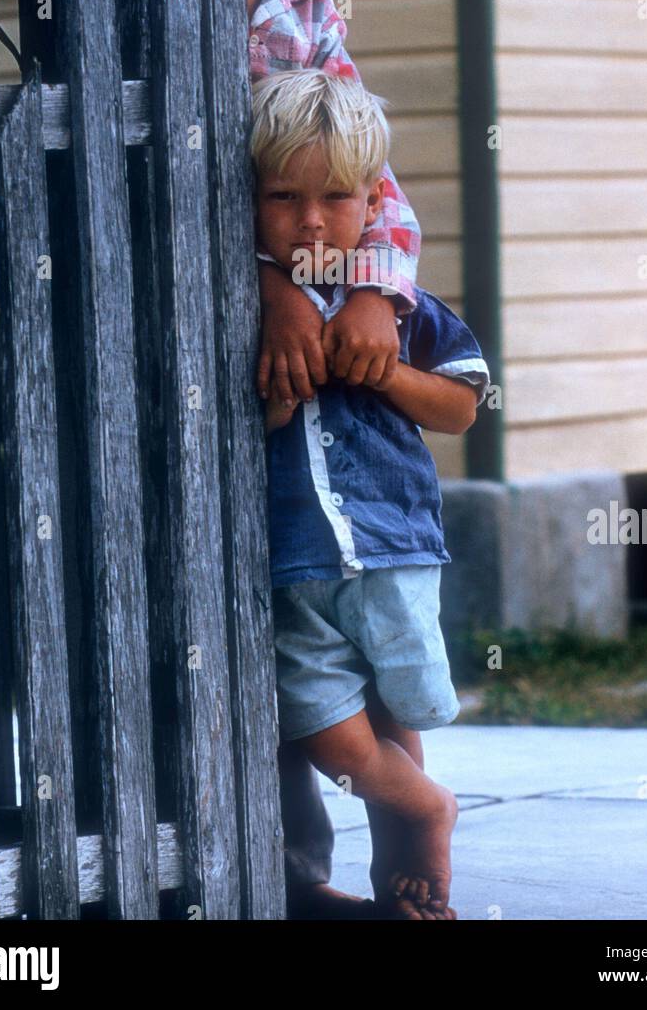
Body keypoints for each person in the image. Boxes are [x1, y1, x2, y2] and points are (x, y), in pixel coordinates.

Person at [197, 0, 424, 919]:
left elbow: (359, 174)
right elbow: (167, 185)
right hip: (183, 355)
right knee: (221, 619)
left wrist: (372, 286)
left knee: (323, 601)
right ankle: (266, 875)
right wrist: (265, 274)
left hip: (306, 370)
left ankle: (391, 869)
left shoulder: (306, 9)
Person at [251, 69, 490, 919]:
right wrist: (280, 395)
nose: (311, 220)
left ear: (372, 201)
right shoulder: (250, 307)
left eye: (337, 197)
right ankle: (422, 805)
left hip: (394, 550)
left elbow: (463, 404)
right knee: (317, 718)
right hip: (292, 563)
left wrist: (386, 373)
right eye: (282, 196)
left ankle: (406, 869)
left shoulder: (397, 306)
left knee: (395, 708)